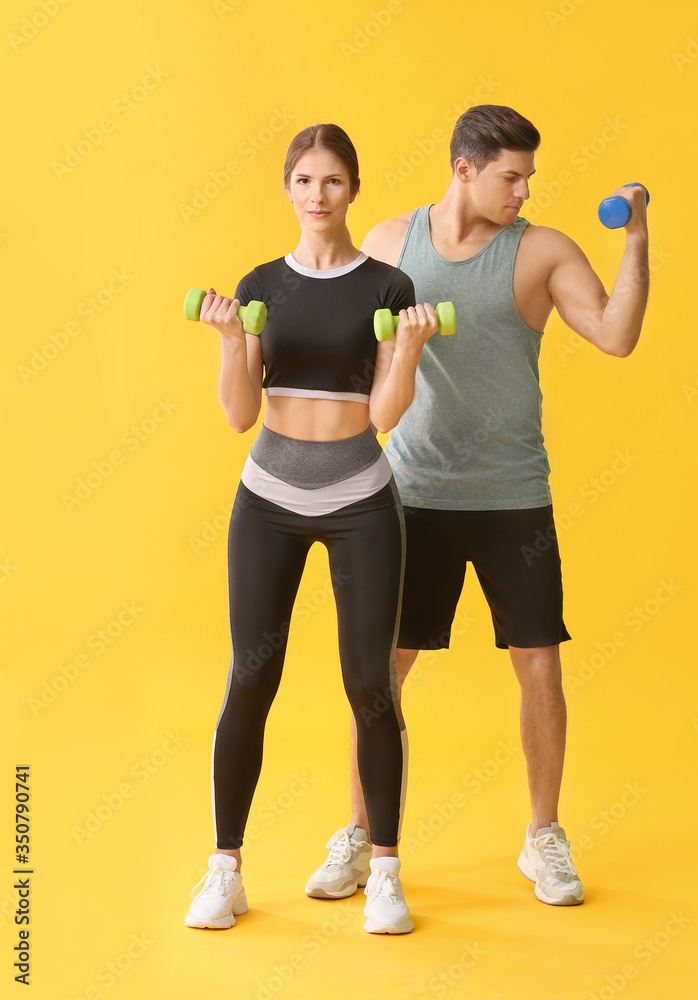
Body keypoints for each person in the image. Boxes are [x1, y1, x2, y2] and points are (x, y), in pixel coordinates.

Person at [307, 105, 649, 907]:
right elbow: (346, 346)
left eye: (528, 177)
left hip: (512, 497)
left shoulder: (542, 251)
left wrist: (634, 241)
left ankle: (543, 839)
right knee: (380, 675)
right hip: (412, 493)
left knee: (538, 669)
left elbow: (614, 334)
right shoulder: (391, 244)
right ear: (464, 168)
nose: (524, 191)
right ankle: (359, 835)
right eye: (511, 176)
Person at [184, 123, 438, 935]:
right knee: (249, 681)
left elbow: (388, 415)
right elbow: (237, 413)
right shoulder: (262, 284)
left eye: (332, 182)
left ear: (352, 190)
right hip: (269, 499)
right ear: (288, 190)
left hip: (361, 497)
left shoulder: (389, 287)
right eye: (303, 181)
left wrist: (406, 351)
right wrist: (232, 338)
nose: (317, 196)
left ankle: (386, 874)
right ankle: (224, 869)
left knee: (370, 686)